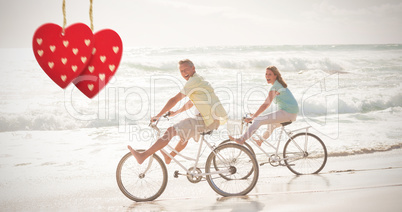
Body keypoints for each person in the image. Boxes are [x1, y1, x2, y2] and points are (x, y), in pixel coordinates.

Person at [128, 59, 228, 164]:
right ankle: (169, 157)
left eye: (186, 70)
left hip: (206, 120)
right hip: (211, 119)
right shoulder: (198, 80)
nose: (184, 73)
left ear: (193, 68)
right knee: (183, 135)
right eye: (181, 71)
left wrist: (158, 116)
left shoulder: (193, 81)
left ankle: (143, 156)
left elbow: (174, 100)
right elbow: (191, 103)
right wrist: (175, 113)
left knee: (170, 131)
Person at [229, 66, 298, 145]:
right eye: (266, 74)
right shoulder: (278, 85)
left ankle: (242, 139)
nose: (267, 76)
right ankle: (260, 141)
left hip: (288, 113)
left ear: (275, 76)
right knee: (271, 125)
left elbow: (266, 104)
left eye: (270, 74)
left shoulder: (276, 87)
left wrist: (253, 117)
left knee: (258, 120)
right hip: (291, 113)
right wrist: (255, 115)